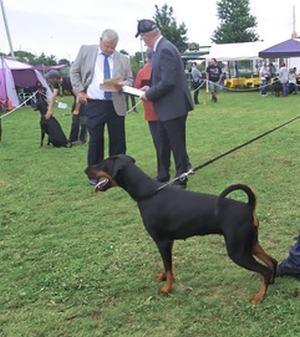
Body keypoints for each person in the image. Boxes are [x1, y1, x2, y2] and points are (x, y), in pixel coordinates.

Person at [70, 29, 133, 184]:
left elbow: (130, 79)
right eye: (107, 46)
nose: (109, 50)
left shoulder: (123, 59)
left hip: (115, 104)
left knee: (118, 140)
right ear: (100, 40)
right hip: (94, 103)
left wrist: (123, 84)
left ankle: (118, 173)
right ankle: (95, 174)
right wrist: (79, 91)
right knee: (96, 140)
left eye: (113, 47)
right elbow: (74, 71)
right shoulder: (86, 51)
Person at [136, 19, 193, 188]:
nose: (142, 40)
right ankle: (162, 175)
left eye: (142, 36)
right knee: (162, 141)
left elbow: (168, 82)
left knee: (177, 144)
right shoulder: (159, 49)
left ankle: (181, 178)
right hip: (165, 106)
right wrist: (150, 87)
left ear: (148, 35)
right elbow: (163, 79)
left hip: (173, 107)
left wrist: (149, 93)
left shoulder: (165, 49)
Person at [134, 47, 169, 176]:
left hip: (150, 112)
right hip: (164, 110)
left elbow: (137, 90)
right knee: (171, 139)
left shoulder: (141, 72)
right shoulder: (160, 69)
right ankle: (177, 164)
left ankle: (163, 167)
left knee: (158, 141)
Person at [45, 70, 87, 145]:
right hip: (77, 99)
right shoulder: (57, 84)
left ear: (54, 78)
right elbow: (54, 96)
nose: (48, 81)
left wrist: (77, 109)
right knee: (75, 120)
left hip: (83, 98)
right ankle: (72, 139)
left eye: (49, 79)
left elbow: (78, 95)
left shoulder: (68, 82)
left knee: (83, 119)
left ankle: (82, 139)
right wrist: (50, 110)